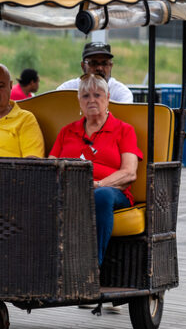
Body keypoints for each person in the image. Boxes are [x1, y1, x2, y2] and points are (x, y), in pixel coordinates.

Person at [48, 74, 142, 266]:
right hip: (69, 190)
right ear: (79, 102)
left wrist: (96, 185)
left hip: (111, 193)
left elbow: (129, 173)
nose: (91, 100)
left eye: (97, 95)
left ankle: (91, 268)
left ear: (108, 98)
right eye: (85, 96)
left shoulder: (124, 130)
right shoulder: (67, 131)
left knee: (102, 196)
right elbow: (50, 167)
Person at [57, 42, 133, 103]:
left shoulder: (121, 93)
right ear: (83, 66)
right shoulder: (67, 89)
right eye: (93, 63)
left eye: (104, 63)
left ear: (111, 66)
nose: (99, 68)